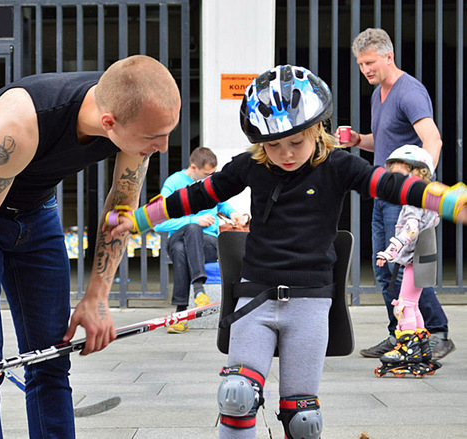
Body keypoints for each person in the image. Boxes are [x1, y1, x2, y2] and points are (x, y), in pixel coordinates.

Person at [105, 64, 467, 438]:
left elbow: (391, 185)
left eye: (296, 141)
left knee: (303, 419)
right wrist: (139, 220)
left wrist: (448, 201)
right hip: (255, 298)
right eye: (273, 145)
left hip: (310, 303)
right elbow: (196, 195)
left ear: (315, 130)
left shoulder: (339, 165)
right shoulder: (251, 166)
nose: (285, 154)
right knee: (236, 395)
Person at [0, 55, 180, 438]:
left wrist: (97, 296)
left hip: (34, 206)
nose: (163, 146)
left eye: (168, 133)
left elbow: (121, 208)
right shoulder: (21, 122)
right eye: (153, 138)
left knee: (50, 356)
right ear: (109, 122)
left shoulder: (132, 104)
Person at [340, 28, 455, 360]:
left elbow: (433, 140)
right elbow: (385, 142)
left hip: (405, 197)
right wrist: (357, 141)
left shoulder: (410, 92)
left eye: (370, 63)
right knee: (384, 267)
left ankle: (437, 332)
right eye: (361, 64)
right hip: (382, 190)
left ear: (388, 56)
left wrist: (420, 187)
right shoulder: (379, 94)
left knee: (405, 266)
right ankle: (401, 334)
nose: (365, 70)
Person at [153, 146, 245, 334]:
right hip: (182, 236)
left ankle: (180, 314)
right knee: (191, 230)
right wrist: (194, 220)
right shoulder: (174, 183)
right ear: (193, 168)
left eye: (212, 174)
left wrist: (233, 213)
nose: (209, 178)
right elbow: (157, 224)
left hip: (207, 244)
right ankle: (198, 291)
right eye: (206, 174)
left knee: (181, 250)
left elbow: (223, 203)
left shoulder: (210, 184)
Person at [375, 145, 440, 376]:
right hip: (420, 259)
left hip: (413, 259)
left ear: (418, 172)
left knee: (403, 307)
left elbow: (411, 229)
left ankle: (408, 347)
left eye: (399, 177)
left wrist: (390, 251)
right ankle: (421, 345)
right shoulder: (428, 196)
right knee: (412, 305)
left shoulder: (414, 200)